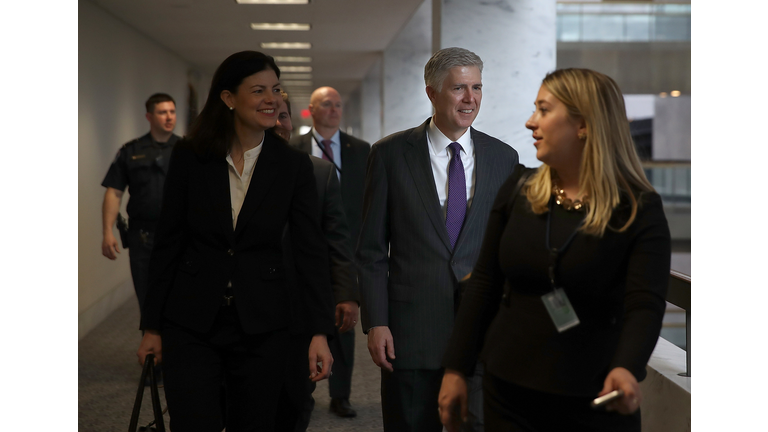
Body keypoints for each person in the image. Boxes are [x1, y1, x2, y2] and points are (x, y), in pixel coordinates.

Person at [438, 68, 671, 432]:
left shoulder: (638, 209)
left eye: (544, 110)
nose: (531, 122)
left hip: (594, 395)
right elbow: (484, 283)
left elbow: (646, 303)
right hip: (508, 389)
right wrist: (456, 370)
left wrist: (627, 367)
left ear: (584, 124)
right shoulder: (518, 188)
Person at [136, 51, 336, 432]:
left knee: (256, 422)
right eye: (258, 90)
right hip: (192, 320)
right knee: (194, 421)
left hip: (264, 323)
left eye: (275, 90)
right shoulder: (191, 156)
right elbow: (168, 242)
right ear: (228, 98)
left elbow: (311, 252)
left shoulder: (292, 166)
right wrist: (152, 326)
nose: (271, 99)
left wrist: (318, 331)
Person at [356, 47, 519, 432]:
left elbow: (509, 250)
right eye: (459, 88)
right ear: (432, 92)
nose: (471, 99)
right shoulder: (390, 154)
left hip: (483, 332)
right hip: (411, 332)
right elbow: (372, 250)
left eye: (477, 87)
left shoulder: (504, 158)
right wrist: (376, 321)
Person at [274, 93, 359, 431]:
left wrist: (348, 288)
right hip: (253, 305)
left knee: (295, 398)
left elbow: (339, 233)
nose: (278, 123)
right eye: (327, 104)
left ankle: (341, 394)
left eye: (283, 116)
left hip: (313, 284)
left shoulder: (331, 164)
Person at [290, 86, 369, 418]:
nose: (334, 109)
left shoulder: (361, 150)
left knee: (343, 322)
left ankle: (341, 395)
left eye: (338, 104)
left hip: (345, 250)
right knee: (298, 319)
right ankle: (294, 388)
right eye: (327, 104)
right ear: (311, 109)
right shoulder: (291, 149)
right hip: (300, 249)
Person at [101, 93, 179, 318]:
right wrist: (107, 232)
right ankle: (151, 348)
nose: (169, 117)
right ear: (149, 116)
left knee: (178, 298)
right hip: (143, 237)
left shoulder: (186, 150)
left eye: (172, 112)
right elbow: (114, 192)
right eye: (162, 112)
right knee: (147, 298)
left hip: (179, 235)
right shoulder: (131, 151)